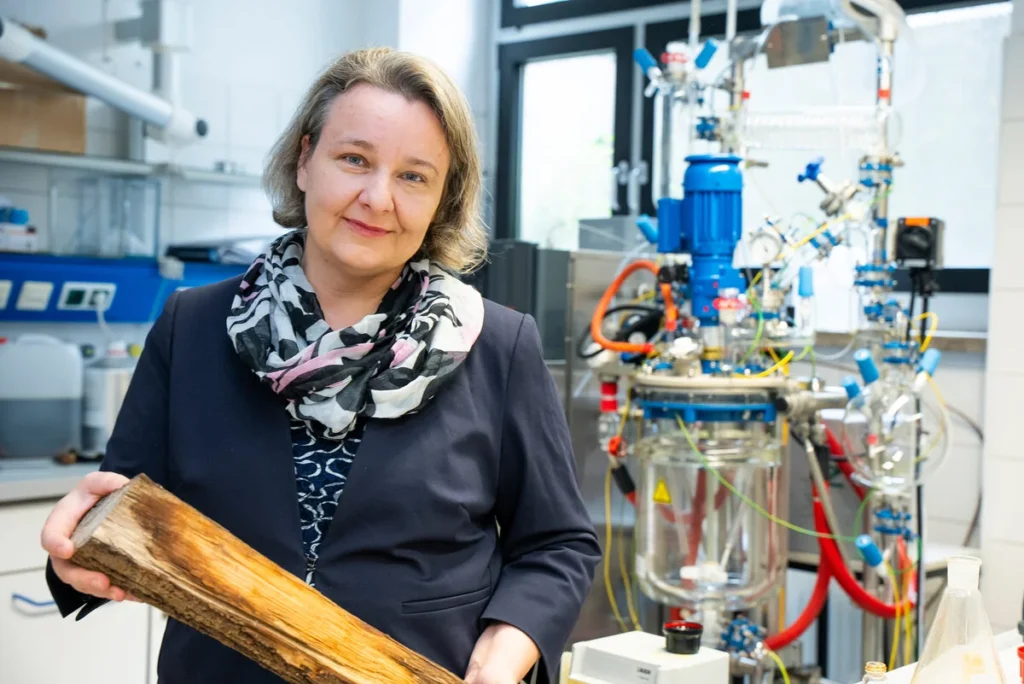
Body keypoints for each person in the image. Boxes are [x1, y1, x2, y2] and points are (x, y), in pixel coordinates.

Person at [40, 47, 600, 684]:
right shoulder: (191, 326)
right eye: (354, 159)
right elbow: (126, 523)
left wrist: (502, 655)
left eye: (414, 176)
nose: (377, 197)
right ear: (305, 160)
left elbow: (557, 545)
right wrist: (72, 553)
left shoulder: (497, 345)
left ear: (443, 199)